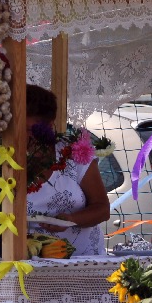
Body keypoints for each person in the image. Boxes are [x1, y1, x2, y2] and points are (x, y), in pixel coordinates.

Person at [22, 84, 109, 256]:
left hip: (82, 261)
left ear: (49, 126)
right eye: (19, 130)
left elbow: (102, 209)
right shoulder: (1, 160)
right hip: (27, 265)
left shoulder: (73, 154)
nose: (25, 137)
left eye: (31, 131)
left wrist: (71, 220)